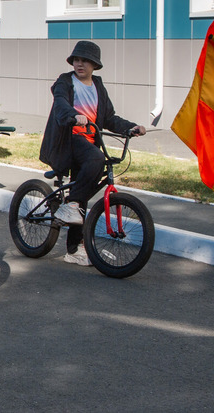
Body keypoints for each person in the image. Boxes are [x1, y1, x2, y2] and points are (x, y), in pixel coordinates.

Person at [38, 41, 146, 266]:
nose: (80, 64)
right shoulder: (65, 81)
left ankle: (74, 249)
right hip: (68, 140)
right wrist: (73, 115)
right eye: (76, 59)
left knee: (83, 193)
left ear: (94, 65)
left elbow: (108, 118)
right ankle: (72, 204)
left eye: (85, 60)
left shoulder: (97, 85)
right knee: (95, 161)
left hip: (87, 143)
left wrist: (131, 127)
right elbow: (60, 103)